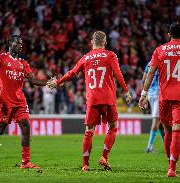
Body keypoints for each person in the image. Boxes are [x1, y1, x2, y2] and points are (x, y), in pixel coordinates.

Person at [47, 31, 132, 172]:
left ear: (92, 42)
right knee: (113, 127)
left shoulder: (85, 58)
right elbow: (118, 73)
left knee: (89, 131)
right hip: (108, 98)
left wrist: (58, 82)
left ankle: (85, 164)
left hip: (93, 98)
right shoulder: (111, 55)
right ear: (105, 42)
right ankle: (104, 156)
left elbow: (72, 73)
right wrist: (126, 90)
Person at [139, 22, 180, 177]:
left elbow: (150, 73)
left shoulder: (159, 50)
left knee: (168, 131)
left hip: (164, 96)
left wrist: (143, 94)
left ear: (169, 34)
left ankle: (169, 163)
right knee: (177, 132)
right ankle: (172, 168)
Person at [0, 35, 47, 171]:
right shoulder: (1, 58)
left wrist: (49, 82)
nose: (20, 45)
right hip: (5, 101)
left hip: (20, 101)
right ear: (10, 43)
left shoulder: (23, 63)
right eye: (17, 43)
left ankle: (25, 162)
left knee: (25, 127)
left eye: (21, 43)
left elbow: (34, 81)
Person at [142, 63, 164, 153]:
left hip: (151, 94)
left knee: (161, 121)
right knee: (156, 121)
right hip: (159, 94)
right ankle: (149, 147)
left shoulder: (148, 64)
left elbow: (144, 80)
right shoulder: (163, 63)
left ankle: (167, 144)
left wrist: (145, 94)